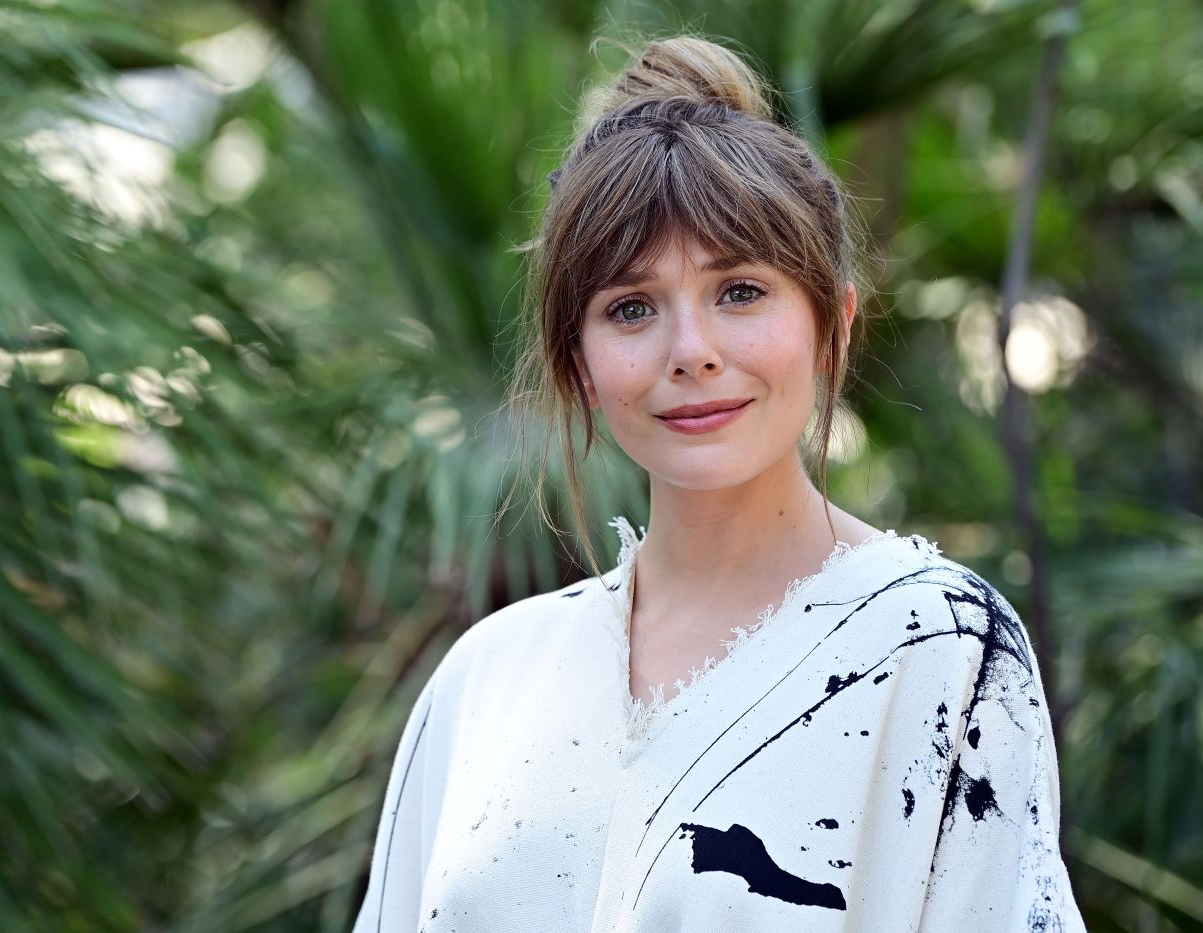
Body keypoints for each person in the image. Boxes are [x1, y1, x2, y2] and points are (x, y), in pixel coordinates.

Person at [352, 36, 1084, 932]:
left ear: (833, 324)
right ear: (577, 363)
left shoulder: (938, 645)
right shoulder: (487, 680)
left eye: (740, 290)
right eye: (631, 307)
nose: (691, 349)